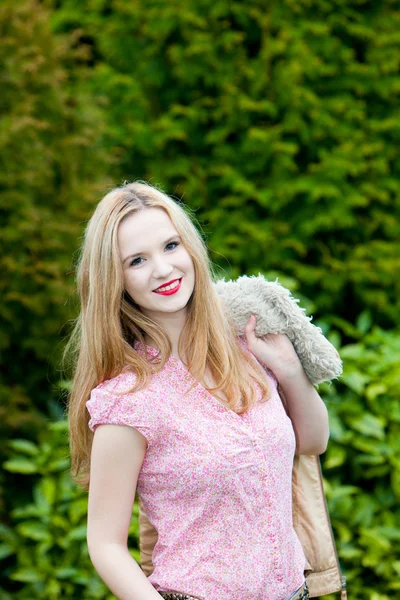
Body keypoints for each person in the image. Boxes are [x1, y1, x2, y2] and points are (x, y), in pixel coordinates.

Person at [66, 181, 330, 600]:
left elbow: (312, 441)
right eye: (137, 260)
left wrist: (290, 371)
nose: (163, 269)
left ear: (191, 247)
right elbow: (105, 543)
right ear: (114, 280)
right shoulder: (128, 400)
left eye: (171, 246)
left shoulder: (246, 347)